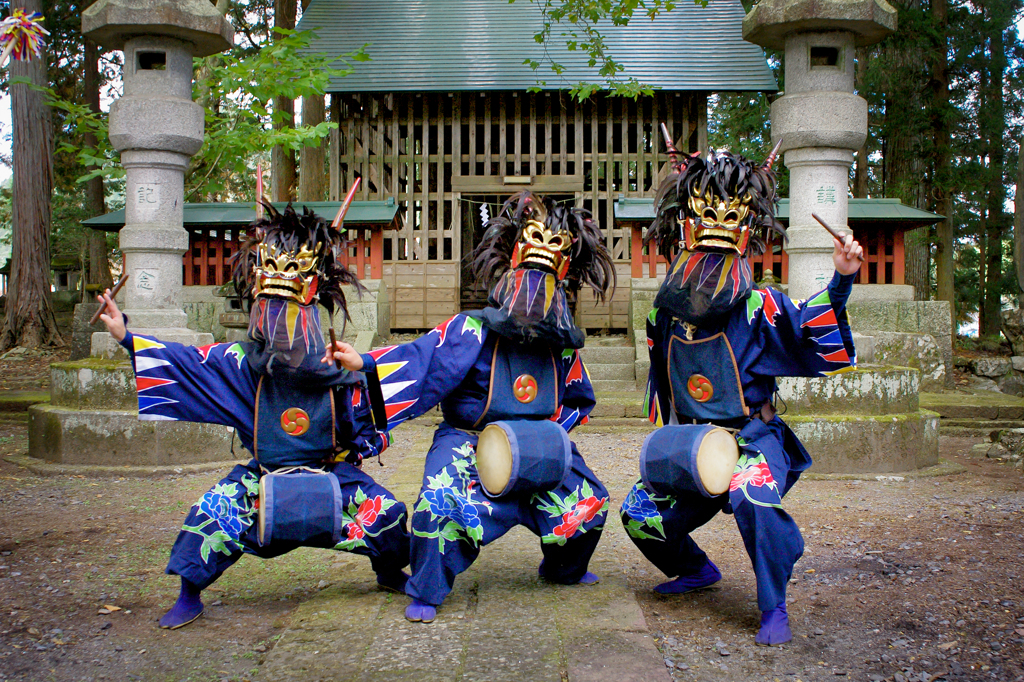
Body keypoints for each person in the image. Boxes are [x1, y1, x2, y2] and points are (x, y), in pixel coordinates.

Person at [97, 204, 410, 630]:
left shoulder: (339, 363)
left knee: (388, 515)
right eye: (272, 311)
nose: (281, 327)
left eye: (291, 314)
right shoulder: (240, 363)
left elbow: (370, 410)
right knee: (210, 513)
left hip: (330, 474)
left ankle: (389, 573)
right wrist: (126, 336)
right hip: (261, 476)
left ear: (311, 301)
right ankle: (189, 593)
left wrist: (361, 382)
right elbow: (186, 363)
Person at [327, 191, 616, 623]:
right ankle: (427, 587)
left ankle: (563, 568)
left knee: (588, 501)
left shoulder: (562, 345)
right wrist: (365, 363)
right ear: (512, 260)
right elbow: (421, 360)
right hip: (467, 441)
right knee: (437, 505)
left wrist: (550, 440)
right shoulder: (471, 328)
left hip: (536, 444)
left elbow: (577, 399)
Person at [619, 146, 863, 645]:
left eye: (729, 217)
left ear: (745, 232)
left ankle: (773, 603)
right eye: (703, 214)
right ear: (684, 227)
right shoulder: (661, 315)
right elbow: (665, 387)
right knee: (639, 512)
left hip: (753, 437)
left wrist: (841, 281)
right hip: (696, 443)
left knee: (751, 494)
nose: (714, 229)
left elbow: (808, 329)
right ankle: (696, 570)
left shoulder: (760, 305)